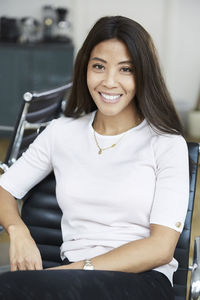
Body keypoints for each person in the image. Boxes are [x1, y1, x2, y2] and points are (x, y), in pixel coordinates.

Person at [0, 15, 189, 300]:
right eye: (99, 66)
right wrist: (18, 231)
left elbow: (161, 248)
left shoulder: (166, 143)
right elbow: (5, 188)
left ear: (143, 75)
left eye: (126, 69)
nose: (109, 82)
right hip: (71, 278)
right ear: (85, 69)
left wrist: (76, 271)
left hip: (142, 279)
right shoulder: (61, 133)